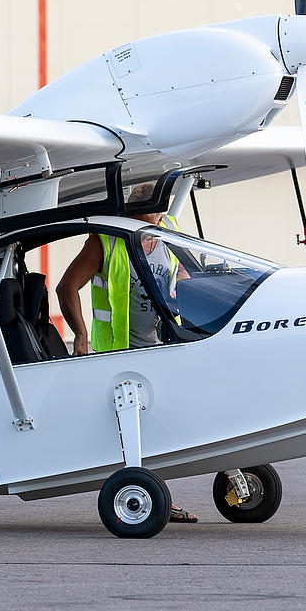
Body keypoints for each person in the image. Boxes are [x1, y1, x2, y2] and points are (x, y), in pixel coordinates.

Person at [54, 182, 197, 523]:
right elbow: (66, 287)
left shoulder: (167, 230)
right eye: (152, 214)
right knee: (143, 428)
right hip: (120, 351)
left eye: (161, 213)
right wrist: (80, 335)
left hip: (160, 344)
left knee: (163, 422)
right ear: (133, 213)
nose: (158, 220)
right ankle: (155, 498)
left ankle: (160, 494)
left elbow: (185, 274)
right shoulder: (106, 240)